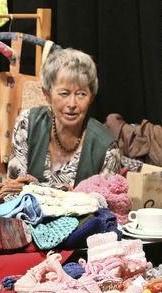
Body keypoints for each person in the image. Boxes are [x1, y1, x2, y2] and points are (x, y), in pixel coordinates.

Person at [7, 48, 121, 188]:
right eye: (64, 93)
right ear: (47, 94)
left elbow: (108, 205)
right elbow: (12, 191)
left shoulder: (106, 148)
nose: (72, 104)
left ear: (91, 97)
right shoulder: (27, 124)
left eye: (81, 94)